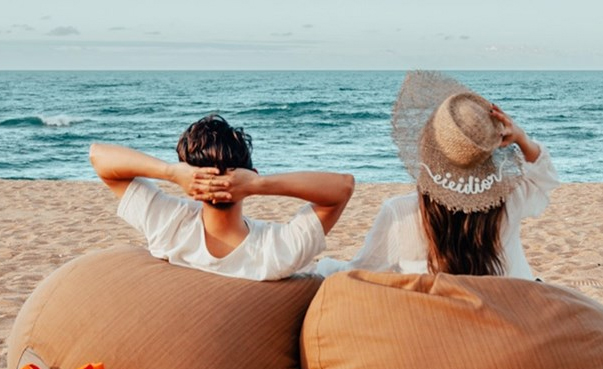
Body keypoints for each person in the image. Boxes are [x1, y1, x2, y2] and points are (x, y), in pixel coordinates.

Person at [315, 71, 559, 281]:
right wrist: (522, 138)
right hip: (507, 318)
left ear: (427, 150)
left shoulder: (401, 213)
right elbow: (543, 177)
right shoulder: (509, 201)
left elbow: (360, 272)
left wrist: (323, 267)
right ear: (486, 156)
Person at [90, 114, 354, 281]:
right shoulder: (277, 250)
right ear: (251, 172)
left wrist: (171, 173)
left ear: (190, 178)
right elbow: (343, 187)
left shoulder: (168, 225)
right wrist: (258, 184)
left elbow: (98, 156)